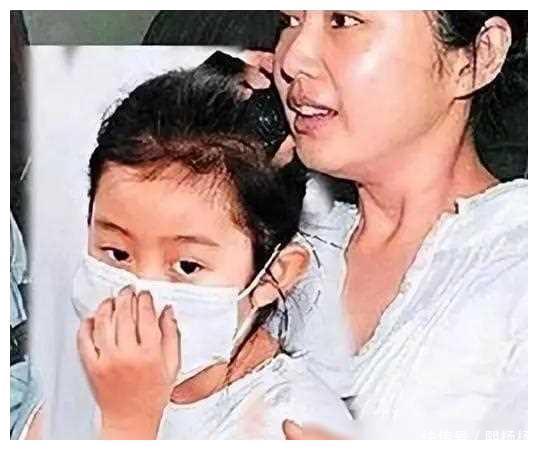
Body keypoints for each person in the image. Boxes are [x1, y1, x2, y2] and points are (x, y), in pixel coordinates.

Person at [265, 10, 527, 439]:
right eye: (290, 21)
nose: (292, 59)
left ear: (478, 57)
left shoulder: (516, 267)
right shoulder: (278, 242)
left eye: (343, 21)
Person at [69, 62, 353, 439]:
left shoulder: (298, 426)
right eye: (118, 254)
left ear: (274, 274)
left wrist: (127, 426)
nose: (139, 294)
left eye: (187, 265)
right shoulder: (94, 372)